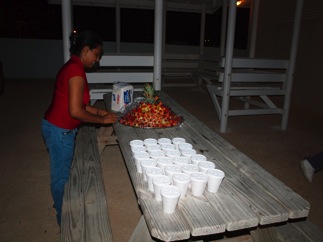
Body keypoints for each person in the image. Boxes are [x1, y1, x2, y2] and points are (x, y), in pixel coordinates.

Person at [41, 31, 117, 226]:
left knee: (62, 173)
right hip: (60, 131)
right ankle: (63, 218)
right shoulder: (75, 71)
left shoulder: (74, 66)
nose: (97, 60)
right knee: (61, 177)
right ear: (86, 50)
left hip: (58, 128)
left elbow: (79, 105)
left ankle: (61, 205)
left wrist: (101, 113)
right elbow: (76, 111)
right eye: (96, 54)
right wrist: (102, 122)